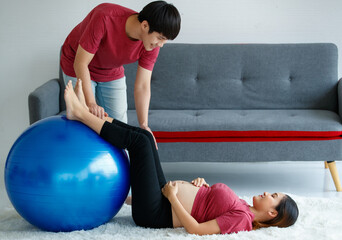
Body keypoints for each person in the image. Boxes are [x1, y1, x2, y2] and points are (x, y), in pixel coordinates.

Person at [64, 79, 299, 235]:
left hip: (156, 214)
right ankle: (87, 113)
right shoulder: (244, 207)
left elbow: (196, 229)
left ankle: (81, 114)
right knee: (145, 137)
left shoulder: (242, 220)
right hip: (162, 199)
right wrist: (201, 185)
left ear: (272, 213)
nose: (268, 193)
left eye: (273, 196)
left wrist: (174, 197)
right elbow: (207, 206)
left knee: (138, 144)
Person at [60, 1, 181, 147]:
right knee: (86, 119)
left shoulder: (152, 45)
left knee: (120, 129)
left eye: (165, 40)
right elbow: (81, 63)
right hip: (77, 62)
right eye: (160, 38)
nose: (161, 45)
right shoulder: (104, 17)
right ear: (144, 25)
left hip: (110, 69)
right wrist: (91, 103)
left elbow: (142, 85)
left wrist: (144, 125)